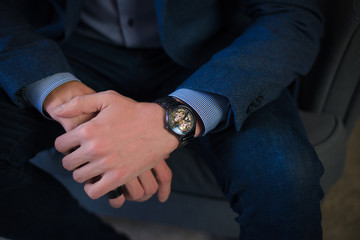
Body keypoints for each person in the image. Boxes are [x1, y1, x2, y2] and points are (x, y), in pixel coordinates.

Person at [0, 0, 325, 239]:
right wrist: (62, 94)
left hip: (214, 54)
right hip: (67, 49)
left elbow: (293, 16)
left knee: (284, 179)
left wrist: (171, 121)